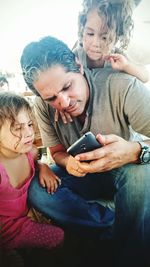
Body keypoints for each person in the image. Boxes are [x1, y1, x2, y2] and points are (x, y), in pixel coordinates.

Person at [20, 36, 150, 266]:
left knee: (141, 172)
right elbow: (57, 152)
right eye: (51, 98)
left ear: (79, 67)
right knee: (36, 190)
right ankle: (115, 228)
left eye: (67, 86)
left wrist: (134, 151)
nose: (64, 102)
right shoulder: (43, 106)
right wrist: (67, 163)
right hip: (84, 175)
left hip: (125, 171)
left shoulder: (121, 86)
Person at [55, 0, 149, 124]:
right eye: (90, 33)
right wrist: (61, 104)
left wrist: (127, 66)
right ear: (82, 30)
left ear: (117, 37)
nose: (95, 43)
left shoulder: (119, 57)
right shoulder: (76, 55)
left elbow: (145, 77)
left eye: (104, 37)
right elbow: (59, 79)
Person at [0, 92, 64, 250]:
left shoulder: (28, 152)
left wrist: (43, 166)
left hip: (31, 211)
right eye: (17, 128)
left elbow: (41, 152)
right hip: (11, 229)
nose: (28, 133)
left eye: (29, 124)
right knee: (60, 236)